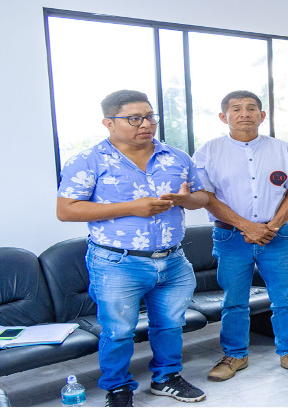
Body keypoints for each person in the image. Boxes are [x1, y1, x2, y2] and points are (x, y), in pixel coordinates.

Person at [56, 90, 208, 407]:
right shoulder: (88, 161)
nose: (146, 124)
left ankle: (166, 378)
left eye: (150, 117)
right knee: (118, 331)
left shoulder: (177, 157)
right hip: (117, 263)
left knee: (170, 325)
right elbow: (66, 210)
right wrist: (131, 207)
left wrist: (185, 200)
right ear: (108, 123)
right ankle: (118, 387)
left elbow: (202, 197)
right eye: (134, 118)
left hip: (173, 260)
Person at [192, 90, 288, 382]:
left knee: (285, 297)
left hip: (276, 237)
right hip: (231, 238)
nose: (244, 113)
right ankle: (235, 355)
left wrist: (271, 227)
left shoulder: (282, 149)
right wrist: (248, 227)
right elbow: (207, 198)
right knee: (234, 301)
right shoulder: (208, 151)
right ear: (224, 117)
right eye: (235, 108)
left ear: (262, 115)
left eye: (251, 108)